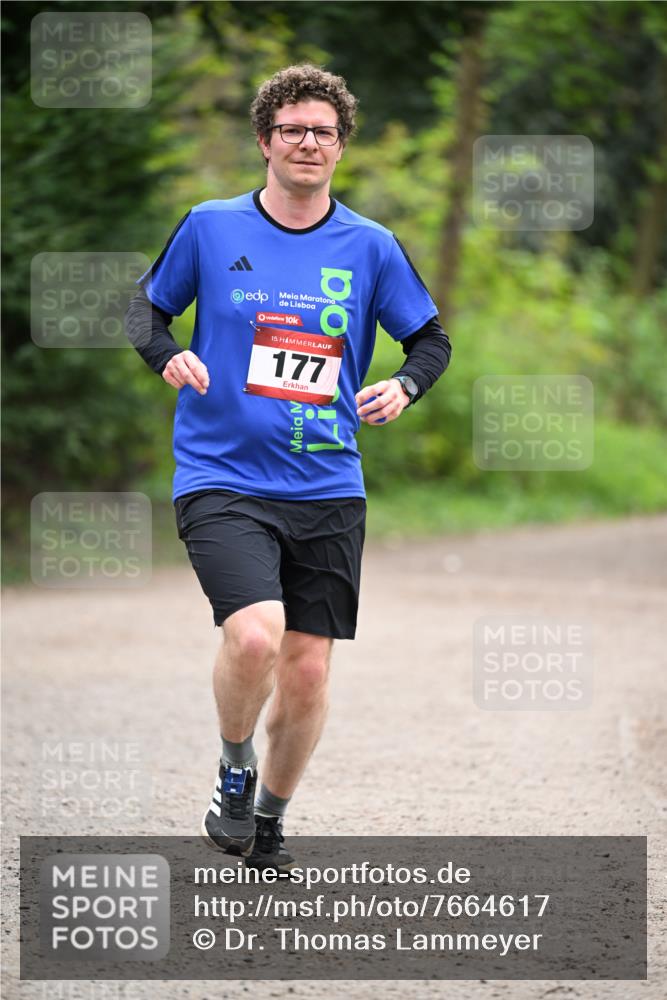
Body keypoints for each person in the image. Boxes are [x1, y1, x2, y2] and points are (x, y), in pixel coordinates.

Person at [125, 64, 451, 873]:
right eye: (293, 129)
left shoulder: (370, 245)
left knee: (306, 668)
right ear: (265, 141)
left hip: (327, 483)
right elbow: (145, 308)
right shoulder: (210, 226)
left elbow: (430, 340)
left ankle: (267, 820)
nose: (309, 142)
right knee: (254, 635)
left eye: (324, 131)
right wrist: (167, 356)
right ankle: (234, 774)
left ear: (341, 147)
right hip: (221, 473)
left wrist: (404, 386)